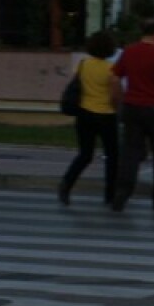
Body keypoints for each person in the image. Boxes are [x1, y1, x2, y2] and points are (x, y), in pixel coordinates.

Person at [110, 17, 154, 211]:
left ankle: (122, 193)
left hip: (132, 106)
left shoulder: (129, 52)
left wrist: (119, 100)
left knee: (130, 153)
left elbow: (114, 78)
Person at [58, 29, 121, 206]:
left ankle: (66, 184)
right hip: (106, 116)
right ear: (110, 48)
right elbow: (115, 96)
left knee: (85, 154)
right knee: (112, 156)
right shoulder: (111, 69)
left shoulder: (84, 64)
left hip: (85, 114)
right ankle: (110, 194)